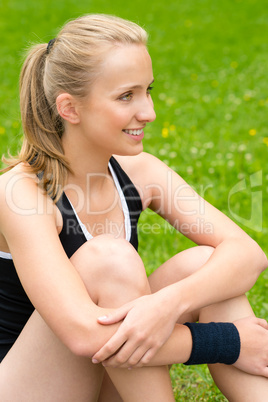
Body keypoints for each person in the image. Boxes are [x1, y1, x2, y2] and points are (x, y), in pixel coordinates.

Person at [0, 13, 268, 401]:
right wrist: (228, 341)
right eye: (127, 96)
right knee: (110, 260)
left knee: (204, 266)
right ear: (70, 109)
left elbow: (247, 254)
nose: (149, 112)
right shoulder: (20, 193)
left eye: (148, 90)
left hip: (106, 374)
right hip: (31, 387)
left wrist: (168, 303)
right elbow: (84, 334)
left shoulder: (139, 171)